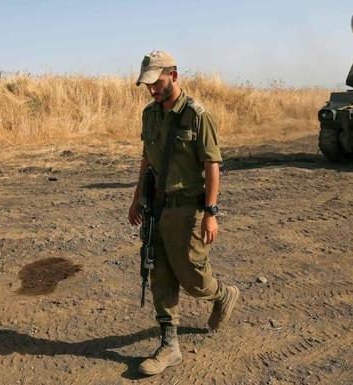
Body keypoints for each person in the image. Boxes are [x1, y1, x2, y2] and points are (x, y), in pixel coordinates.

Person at [128, 50, 240, 376]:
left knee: (192, 277)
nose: (152, 90)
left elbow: (212, 165)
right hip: (156, 208)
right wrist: (136, 199)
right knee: (158, 272)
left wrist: (211, 212)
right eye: (147, 85)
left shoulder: (197, 116)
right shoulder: (150, 115)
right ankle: (169, 345)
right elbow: (146, 160)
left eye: (157, 83)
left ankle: (221, 294)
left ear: (174, 76)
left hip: (187, 209)